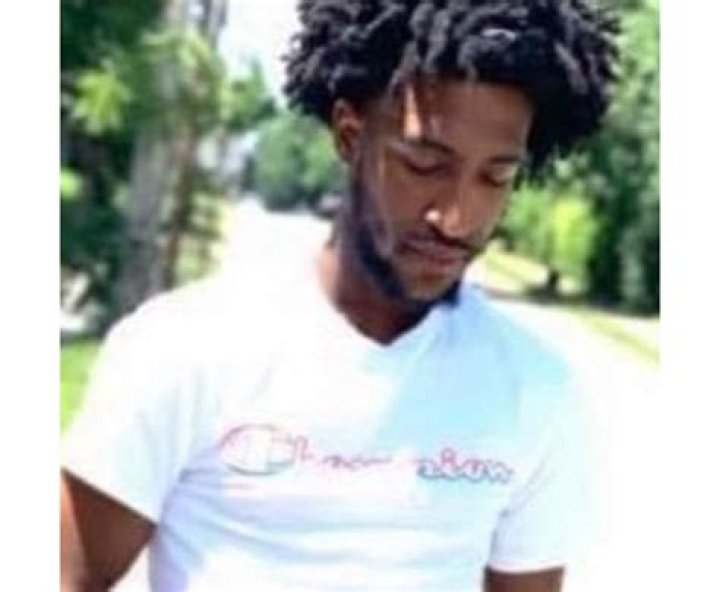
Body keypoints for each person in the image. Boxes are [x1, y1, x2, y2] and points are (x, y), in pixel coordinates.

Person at [61, 0, 618, 590]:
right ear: (350, 135)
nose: (456, 217)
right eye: (423, 163)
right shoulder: (184, 348)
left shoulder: (536, 391)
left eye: (496, 178)